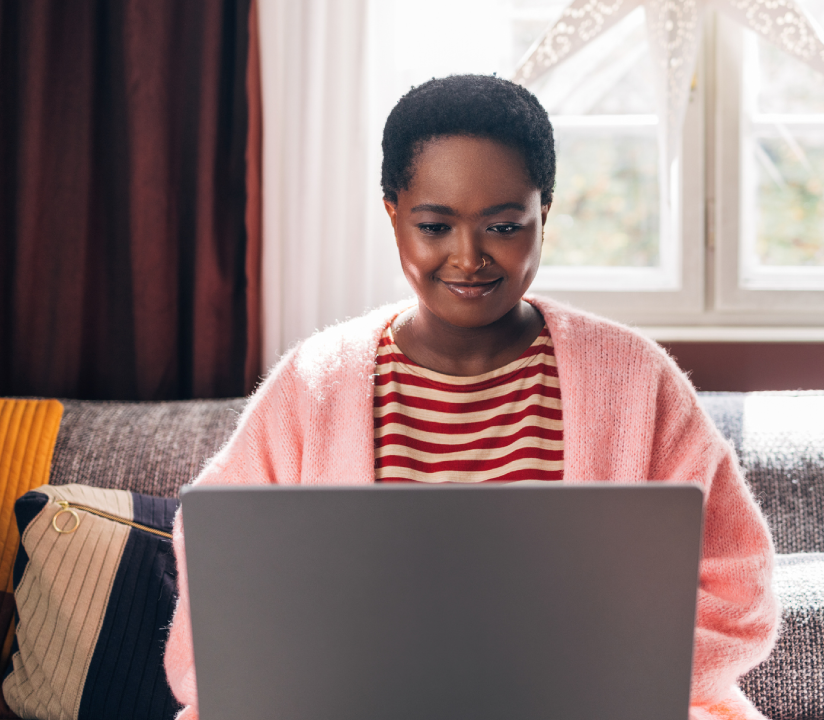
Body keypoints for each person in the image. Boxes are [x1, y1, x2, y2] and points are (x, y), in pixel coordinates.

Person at [163, 74, 778, 720]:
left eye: (504, 226)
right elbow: (220, 561)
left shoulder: (634, 379)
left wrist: (600, 685)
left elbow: (738, 588)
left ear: (545, 214)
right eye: (435, 225)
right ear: (394, 214)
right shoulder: (314, 384)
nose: (468, 258)